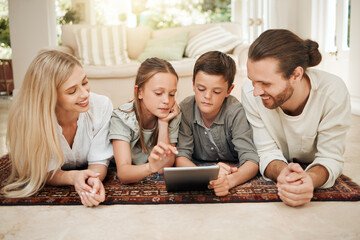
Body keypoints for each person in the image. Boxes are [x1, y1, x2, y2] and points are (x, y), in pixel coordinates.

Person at [241, 29, 351, 207]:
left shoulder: (333, 93)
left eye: (266, 83)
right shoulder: (250, 92)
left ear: (296, 75)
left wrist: (309, 179)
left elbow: (331, 157)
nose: (256, 91)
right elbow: (265, 152)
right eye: (253, 80)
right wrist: (285, 173)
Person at [1, 50, 114, 207]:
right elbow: (39, 170)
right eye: (72, 91)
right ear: (50, 96)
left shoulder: (101, 106)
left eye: (85, 82)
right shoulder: (29, 119)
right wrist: (73, 177)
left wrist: (93, 179)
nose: (85, 94)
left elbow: (99, 159)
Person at [175, 51, 260, 196]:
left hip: (231, 168)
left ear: (229, 91)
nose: (207, 96)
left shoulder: (235, 112)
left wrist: (231, 180)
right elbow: (181, 157)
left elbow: (251, 161)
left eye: (216, 91)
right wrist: (203, 175)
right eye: (201, 89)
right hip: (203, 168)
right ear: (193, 84)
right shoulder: (186, 108)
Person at [110, 57, 180, 184]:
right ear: (139, 92)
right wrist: (150, 167)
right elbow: (123, 173)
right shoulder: (121, 118)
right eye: (158, 93)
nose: (166, 101)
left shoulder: (172, 113)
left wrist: (163, 123)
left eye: (171, 94)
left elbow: (164, 167)